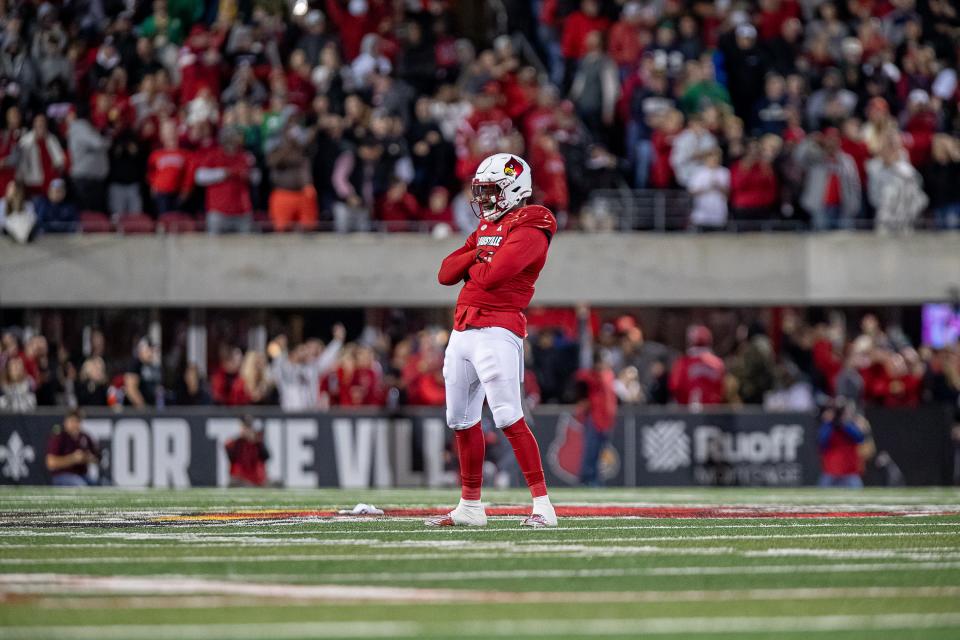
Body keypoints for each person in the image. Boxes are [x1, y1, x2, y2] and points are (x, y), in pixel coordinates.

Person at [430, 153, 559, 528]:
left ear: (514, 188)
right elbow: (445, 273)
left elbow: (491, 276)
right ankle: (470, 506)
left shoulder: (534, 223)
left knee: (508, 417)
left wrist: (478, 258)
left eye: (491, 191)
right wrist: (479, 253)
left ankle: (543, 506)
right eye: (482, 191)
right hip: (463, 330)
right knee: (460, 419)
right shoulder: (490, 226)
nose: (484, 200)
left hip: (499, 331)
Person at [268, 324, 345, 411]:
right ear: (293, 353)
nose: (305, 352)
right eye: (302, 350)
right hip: (289, 414)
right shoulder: (283, 367)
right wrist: (281, 347)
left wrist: (337, 341)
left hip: (310, 413)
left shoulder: (311, 368)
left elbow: (325, 359)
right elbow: (277, 364)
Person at [818, 399, 871, 488]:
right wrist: (829, 423)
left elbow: (859, 438)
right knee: (821, 497)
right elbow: (822, 442)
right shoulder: (828, 426)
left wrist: (843, 424)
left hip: (850, 471)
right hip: (831, 471)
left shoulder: (850, 424)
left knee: (859, 498)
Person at [669, 325, 726, 406]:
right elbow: (722, 390)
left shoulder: (684, 362)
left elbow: (675, 386)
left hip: (687, 412)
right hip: (712, 413)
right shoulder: (718, 363)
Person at [45, 409, 100, 486]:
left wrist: (87, 458)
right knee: (80, 484)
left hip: (82, 475)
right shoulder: (59, 437)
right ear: (65, 422)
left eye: (77, 421)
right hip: (62, 475)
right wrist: (72, 458)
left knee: (101, 484)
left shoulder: (85, 437)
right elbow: (50, 463)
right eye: (72, 421)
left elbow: (96, 458)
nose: (74, 424)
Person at [225, 415, 270, 487]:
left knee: (276, 484)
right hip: (242, 479)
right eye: (245, 427)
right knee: (234, 483)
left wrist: (256, 442)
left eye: (248, 427)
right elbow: (232, 457)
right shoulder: (237, 443)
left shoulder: (257, 442)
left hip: (257, 479)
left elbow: (266, 457)